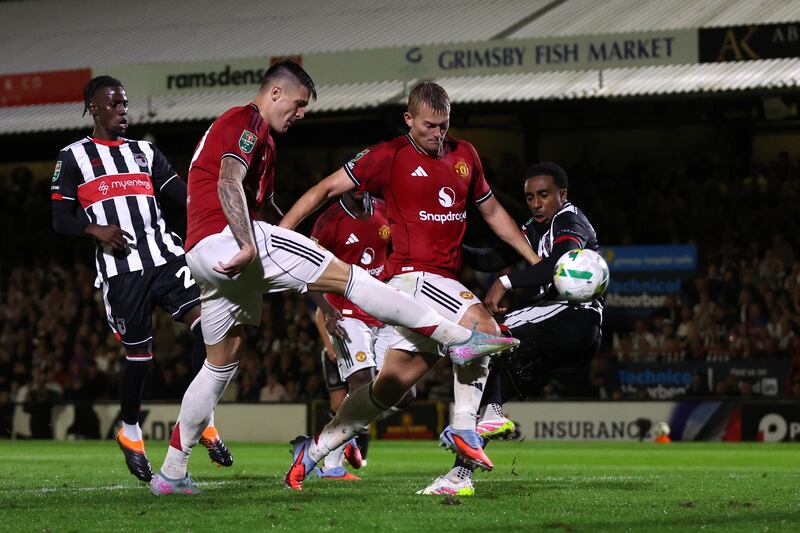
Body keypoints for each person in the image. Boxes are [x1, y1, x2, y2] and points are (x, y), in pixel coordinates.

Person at [148, 61, 518, 495]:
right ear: (275, 94)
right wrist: (251, 244)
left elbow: (257, 203)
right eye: (299, 104)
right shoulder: (244, 120)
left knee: (220, 363)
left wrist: (268, 251)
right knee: (347, 277)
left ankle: (171, 472)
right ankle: (459, 338)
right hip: (230, 240)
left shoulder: (263, 144)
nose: (301, 113)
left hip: (204, 255)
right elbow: (230, 181)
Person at [278, 82, 538, 490]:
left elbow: (491, 211)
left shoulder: (465, 154)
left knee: (386, 391)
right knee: (485, 330)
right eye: (430, 126)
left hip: (444, 282)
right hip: (413, 279)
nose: (438, 134)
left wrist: (534, 259)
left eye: (444, 126)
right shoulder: (389, 155)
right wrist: (282, 233)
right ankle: (464, 427)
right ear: (409, 120)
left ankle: (311, 452)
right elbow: (326, 188)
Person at [50, 76, 232, 483]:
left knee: (208, 328)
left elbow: (180, 194)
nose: (122, 110)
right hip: (122, 272)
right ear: (93, 108)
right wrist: (96, 230)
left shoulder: (145, 151)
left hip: (166, 258)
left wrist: (217, 210)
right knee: (141, 358)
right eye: (114, 103)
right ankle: (131, 431)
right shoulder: (73, 156)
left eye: (126, 103)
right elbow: (60, 218)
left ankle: (203, 420)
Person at [418, 161, 604, 496]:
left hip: (572, 317)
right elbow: (492, 257)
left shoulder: (569, 220)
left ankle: (492, 412)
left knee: (479, 343)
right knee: (484, 378)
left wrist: (505, 282)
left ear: (563, 194)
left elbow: (557, 265)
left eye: (544, 195)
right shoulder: (535, 226)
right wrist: (447, 247)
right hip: (556, 330)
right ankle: (460, 477)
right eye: (530, 197)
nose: (536, 203)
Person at [310, 189, 396, 479]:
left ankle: (349, 433)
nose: (361, 186)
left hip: (384, 310)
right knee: (361, 382)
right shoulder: (328, 222)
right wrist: (326, 310)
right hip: (345, 313)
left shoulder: (386, 208)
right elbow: (310, 272)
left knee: (404, 391)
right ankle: (330, 462)